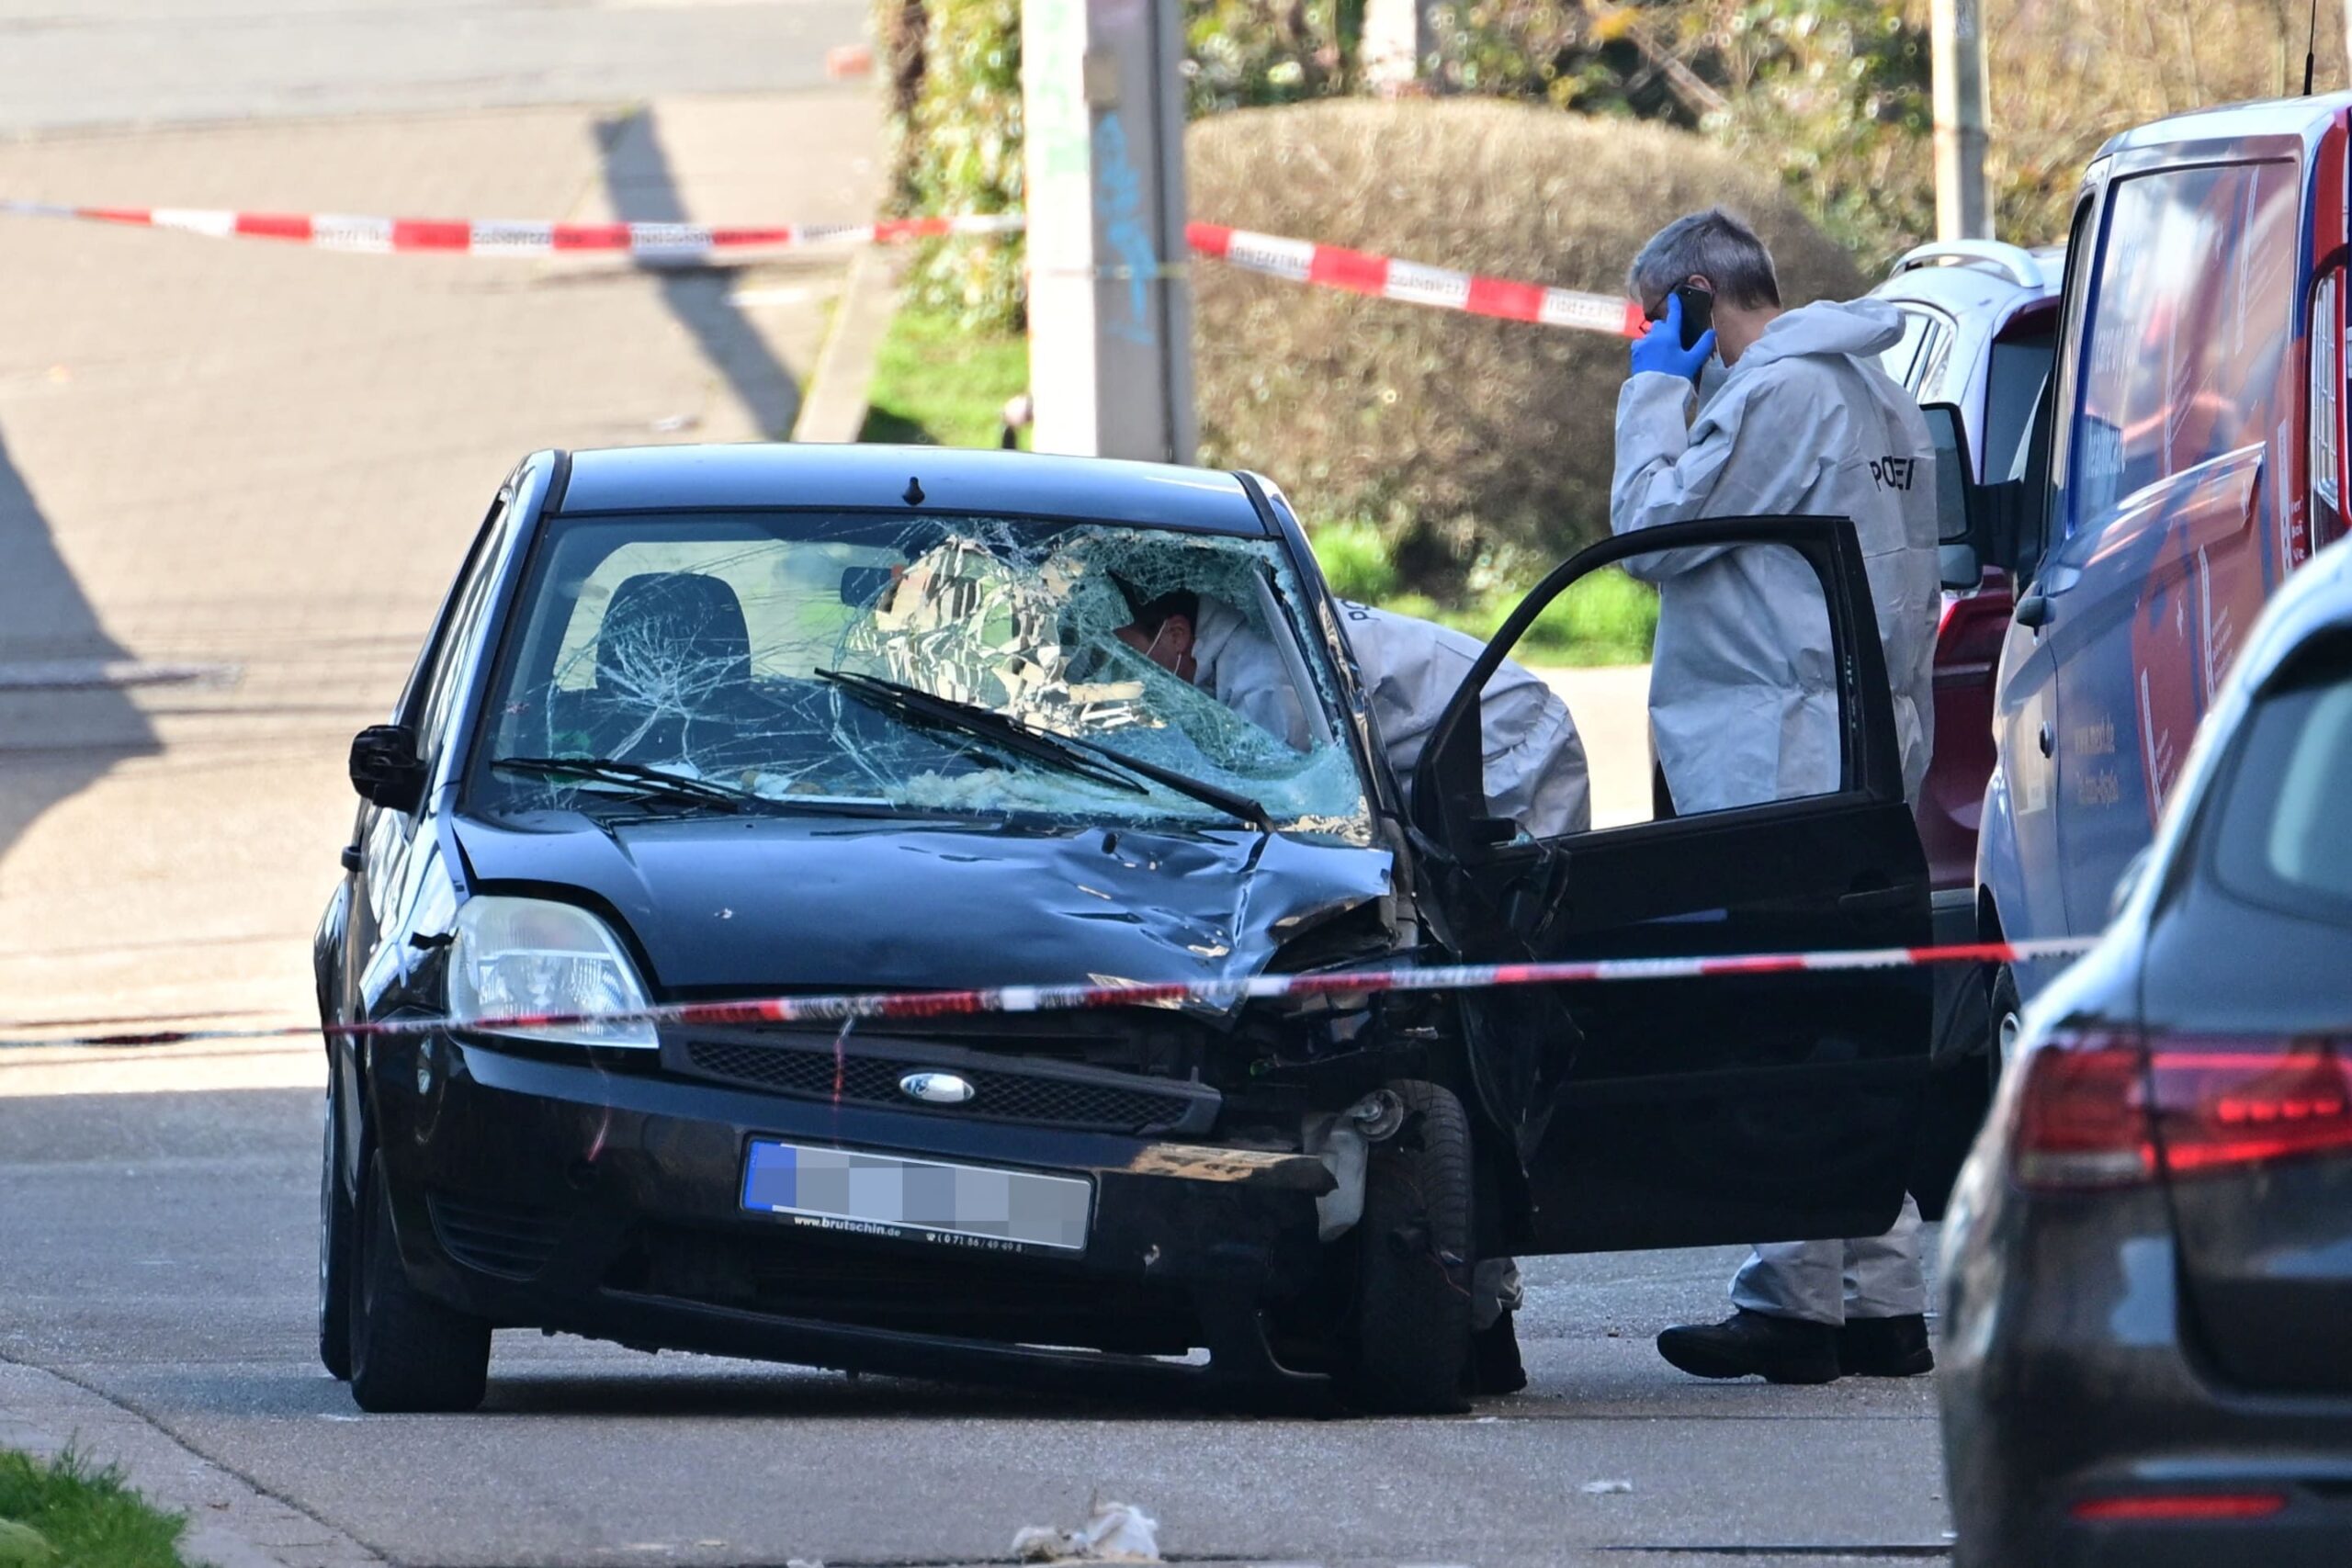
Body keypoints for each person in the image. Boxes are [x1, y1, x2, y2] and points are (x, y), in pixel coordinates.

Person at [1611, 208, 1940, 1385]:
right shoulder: (1880, 397)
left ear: (1697, 297)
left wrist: (1655, 393)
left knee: (1780, 1031)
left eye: (1657, 317)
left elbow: (1650, 536)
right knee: (1850, 1033)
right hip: (1865, 758)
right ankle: (1882, 1303)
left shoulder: (1775, 395)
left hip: (1778, 762)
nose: (1649, 339)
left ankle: (1794, 1303)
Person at [1116, 588, 1593, 1394]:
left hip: (1514, 765)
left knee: (1470, 1046)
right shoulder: (1231, 650)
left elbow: (1287, 839)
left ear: (1174, 632)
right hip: (1439, 773)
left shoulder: (1265, 677)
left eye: (1129, 648)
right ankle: (1471, 1317)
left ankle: (1482, 1319)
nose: (1125, 673)